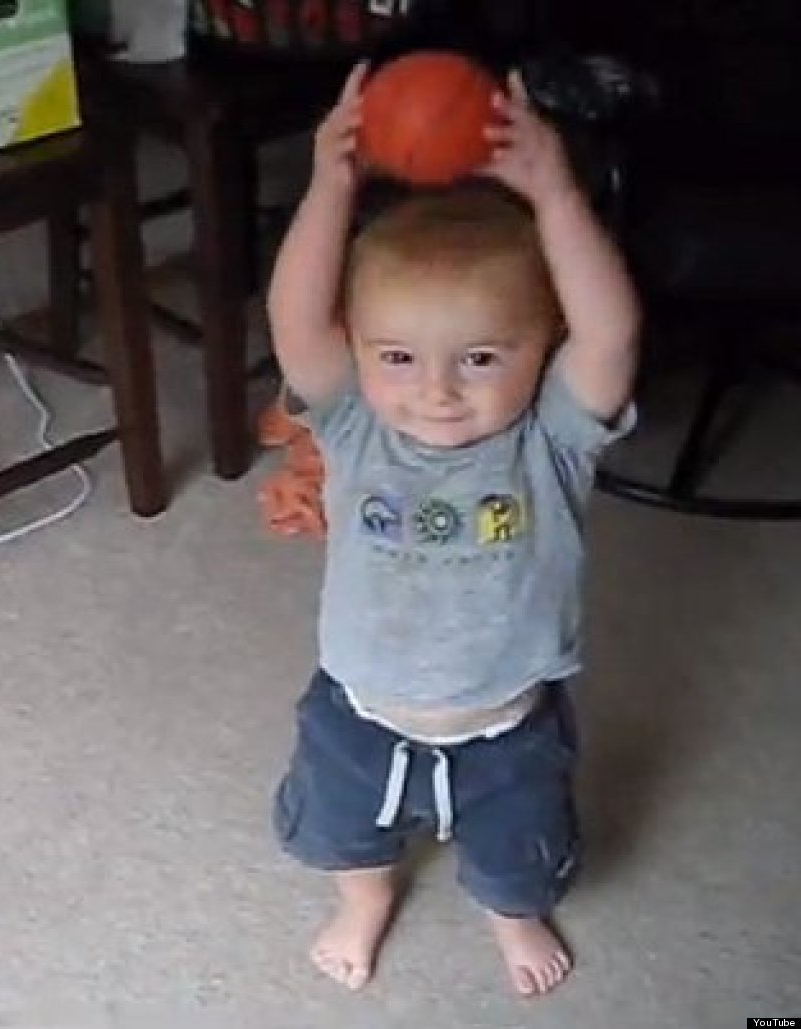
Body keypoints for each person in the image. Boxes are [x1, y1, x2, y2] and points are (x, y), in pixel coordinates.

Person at [266, 62, 639, 997]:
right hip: (360, 709)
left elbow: (612, 337)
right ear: (357, 347)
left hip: (508, 720)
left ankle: (511, 913)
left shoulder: (552, 438)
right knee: (342, 834)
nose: (435, 390)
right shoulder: (353, 422)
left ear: (539, 348)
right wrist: (329, 184)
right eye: (397, 356)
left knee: (519, 856)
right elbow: (292, 317)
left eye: (479, 356)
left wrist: (556, 197)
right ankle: (364, 901)